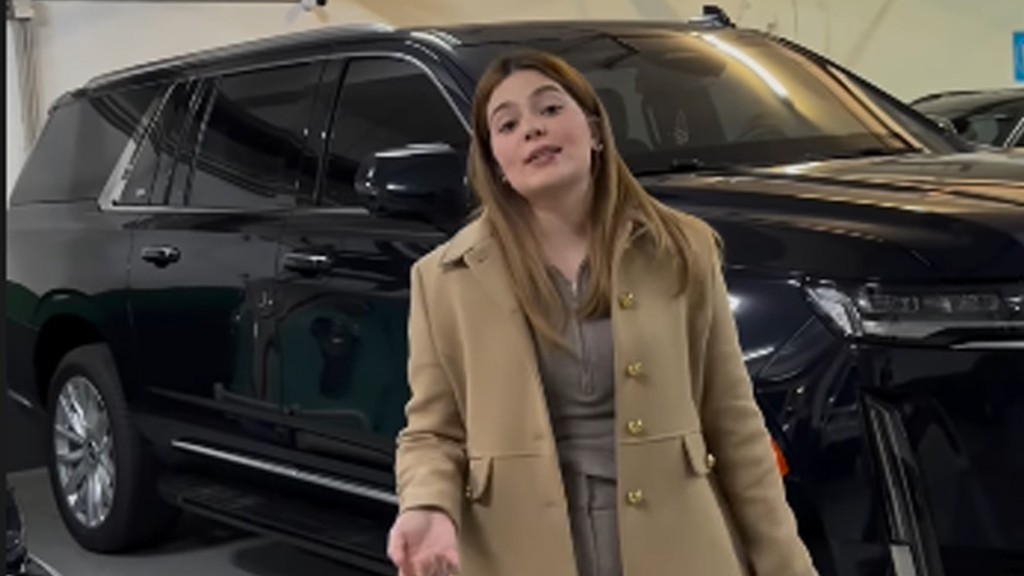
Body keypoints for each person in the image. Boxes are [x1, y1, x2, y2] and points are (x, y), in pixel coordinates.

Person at [386, 50, 818, 576]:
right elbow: (433, 432)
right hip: (517, 551)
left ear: (594, 130)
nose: (532, 129)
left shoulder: (683, 248)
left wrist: (785, 565)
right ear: (494, 160)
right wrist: (426, 505)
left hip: (680, 549)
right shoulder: (444, 278)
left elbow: (734, 423)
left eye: (550, 109)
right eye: (507, 124)